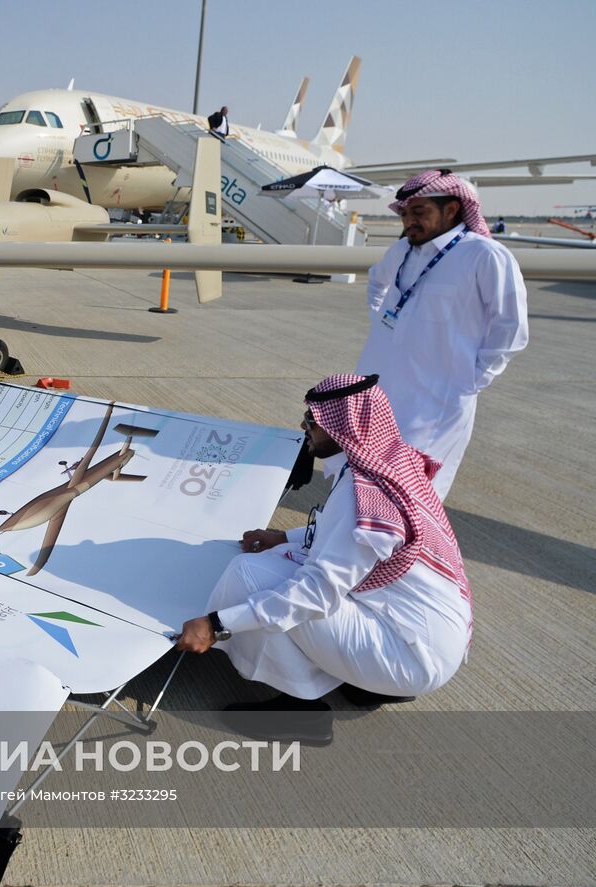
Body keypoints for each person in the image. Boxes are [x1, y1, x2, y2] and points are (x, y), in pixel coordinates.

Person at [175, 374, 472, 745]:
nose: (304, 426)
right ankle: (369, 684)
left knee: (250, 575)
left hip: (410, 656)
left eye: (313, 419)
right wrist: (284, 537)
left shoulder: (360, 492)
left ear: (342, 425)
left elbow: (316, 594)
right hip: (426, 638)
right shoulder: (389, 459)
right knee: (284, 560)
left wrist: (217, 623)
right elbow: (351, 539)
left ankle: (301, 710)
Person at [360, 169, 528, 499]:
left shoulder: (484, 256)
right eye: (405, 214)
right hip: (382, 390)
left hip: (436, 404)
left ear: (451, 209)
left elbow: (512, 327)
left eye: (419, 212)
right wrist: (381, 326)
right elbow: (376, 283)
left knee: (412, 494)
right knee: (364, 481)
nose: (409, 221)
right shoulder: (402, 252)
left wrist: (472, 379)